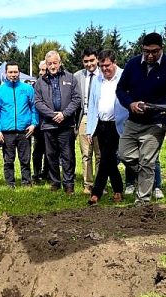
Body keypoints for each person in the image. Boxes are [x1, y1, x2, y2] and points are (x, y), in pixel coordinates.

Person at [116, 32, 166, 205]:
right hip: (133, 120)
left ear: (161, 49)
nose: (150, 55)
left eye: (154, 51)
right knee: (123, 154)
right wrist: (130, 104)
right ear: (142, 49)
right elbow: (121, 89)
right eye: (146, 51)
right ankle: (147, 175)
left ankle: (143, 201)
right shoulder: (132, 64)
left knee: (147, 161)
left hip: (157, 121)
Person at [34, 50, 81, 194]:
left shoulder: (71, 78)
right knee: (51, 155)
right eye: (50, 64)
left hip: (66, 124)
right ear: (46, 65)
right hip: (48, 124)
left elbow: (77, 99)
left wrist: (64, 114)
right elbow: (38, 102)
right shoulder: (40, 82)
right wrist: (53, 115)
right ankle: (55, 182)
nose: (52, 66)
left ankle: (69, 184)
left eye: (55, 63)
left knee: (68, 155)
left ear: (60, 63)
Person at [85, 49, 127, 206]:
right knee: (107, 159)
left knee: (106, 158)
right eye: (101, 66)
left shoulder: (124, 76)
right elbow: (92, 104)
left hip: (119, 123)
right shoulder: (97, 79)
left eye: (107, 65)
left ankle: (96, 192)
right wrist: (90, 129)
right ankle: (117, 190)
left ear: (114, 62)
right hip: (101, 124)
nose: (104, 69)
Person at [0, 62, 38, 188]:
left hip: (25, 130)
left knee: (25, 160)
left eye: (15, 72)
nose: (13, 75)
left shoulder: (28, 89)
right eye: (10, 72)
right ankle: (10, 183)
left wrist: (33, 124)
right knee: (8, 160)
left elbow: (34, 108)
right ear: (6, 73)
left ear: (19, 73)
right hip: (7, 132)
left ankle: (26, 182)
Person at [75, 47, 101, 194]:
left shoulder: (104, 74)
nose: (89, 64)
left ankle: (99, 183)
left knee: (100, 154)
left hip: (101, 118)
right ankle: (88, 184)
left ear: (97, 59)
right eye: (86, 61)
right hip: (84, 117)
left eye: (92, 60)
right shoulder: (77, 76)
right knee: (86, 154)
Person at [31, 60, 49, 183]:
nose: (41, 72)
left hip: (50, 123)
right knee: (37, 151)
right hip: (38, 124)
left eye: (44, 70)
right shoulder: (35, 85)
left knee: (50, 151)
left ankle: (47, 173)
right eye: (40, 70)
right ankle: (36, 174)